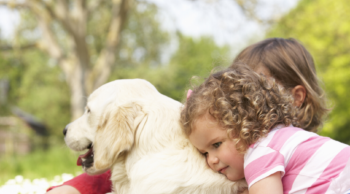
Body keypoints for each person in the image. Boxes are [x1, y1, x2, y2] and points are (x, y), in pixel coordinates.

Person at [46, 38, 328, 194]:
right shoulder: (220, 143)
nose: (238, 105)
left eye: (256, 91)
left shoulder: (274, 154)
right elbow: (150, 163)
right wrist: (76, 188)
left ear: (295, 98)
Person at [181, 63, 350, 194]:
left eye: (216, 145)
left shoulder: (260, 154)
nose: (211, 160)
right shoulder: (284, 135)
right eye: (205, 153)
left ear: (244, 123)